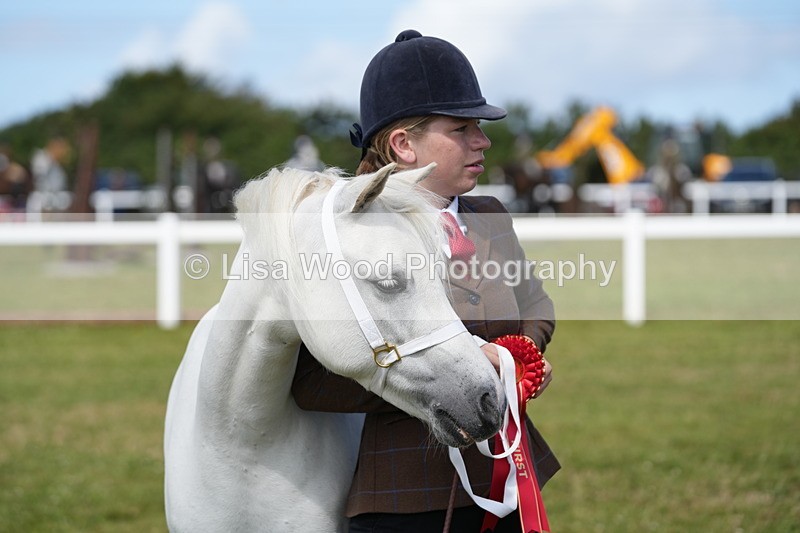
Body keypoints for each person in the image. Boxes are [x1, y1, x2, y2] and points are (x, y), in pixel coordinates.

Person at [291, 30, 558, 533]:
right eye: (462, 128)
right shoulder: (354, 237)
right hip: (403, 496)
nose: (482, 140)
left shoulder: (490, 215)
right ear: (403, 145)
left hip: (509, 477)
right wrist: (449, 381)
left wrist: (512, 358)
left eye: (478, 127)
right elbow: (310, 381)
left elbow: (537, 305)